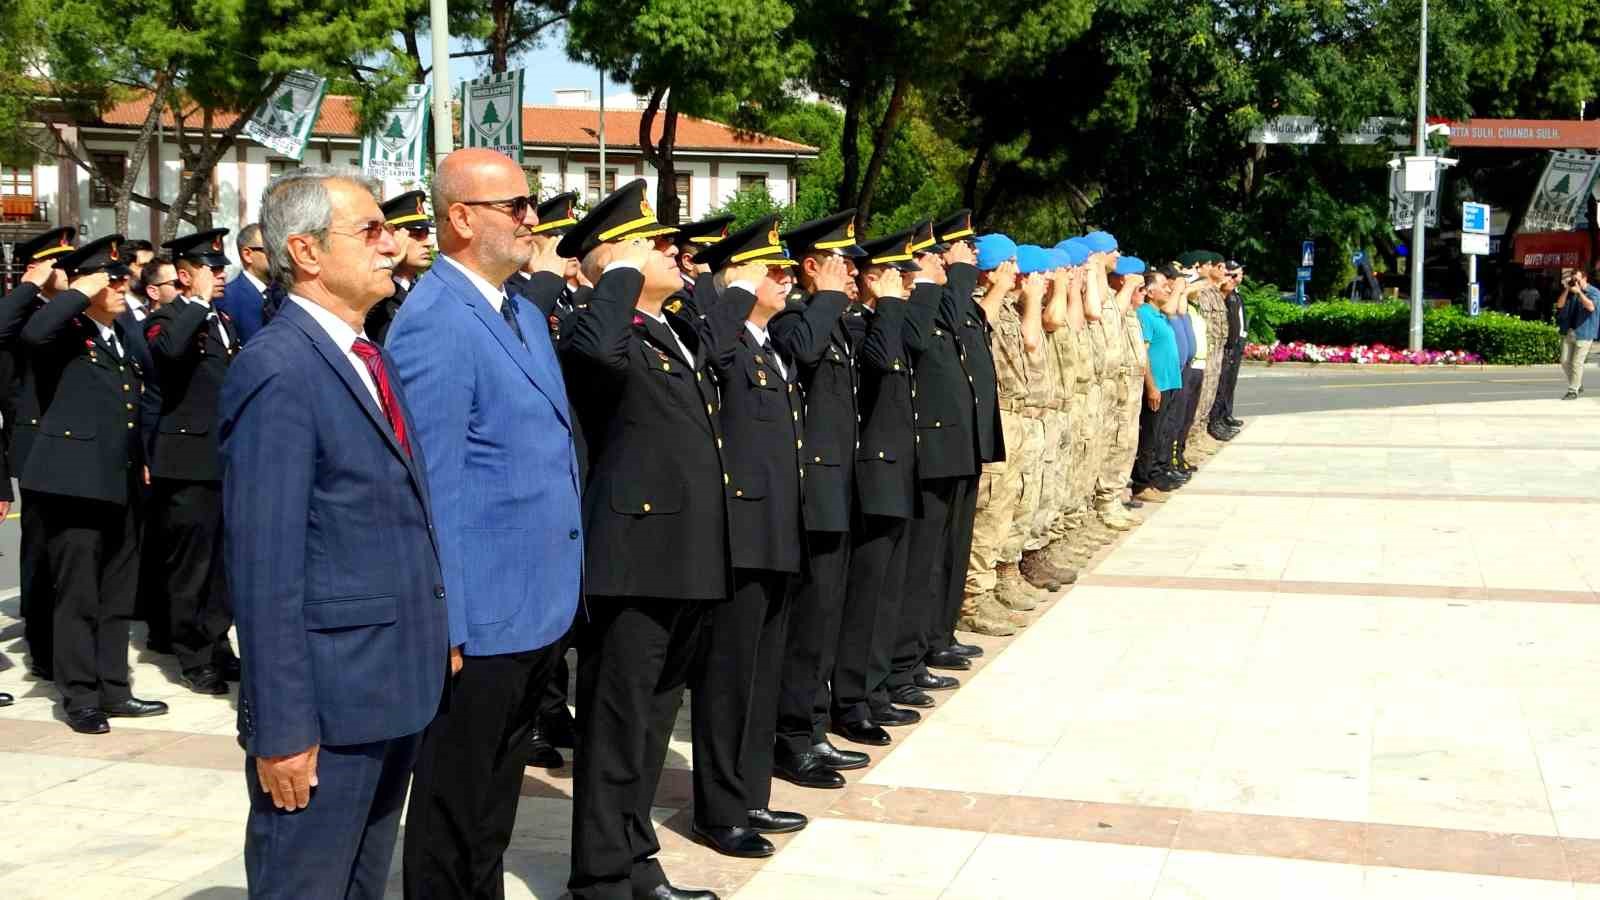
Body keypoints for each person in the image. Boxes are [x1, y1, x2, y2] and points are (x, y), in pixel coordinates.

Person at [220, 166, 448, 900]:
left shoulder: (364, 354)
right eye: (372, 230)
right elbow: (266, 568)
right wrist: (282, 728)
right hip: (328, 708)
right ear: (307, 252)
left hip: (388, 684)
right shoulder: (279, 368)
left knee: (359, 885)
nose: (393, 245)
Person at [383, 149, 583, 899]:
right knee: (451, 809)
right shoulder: (434, 320)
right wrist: (450, 622)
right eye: (516, 205)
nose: (532, 218)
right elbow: (428, 490)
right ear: (461, 219)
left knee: (494, 806)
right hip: (480, 620)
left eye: (530, 203)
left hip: (538, 607)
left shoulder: (521, 310)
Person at [557, 177, 724, 900]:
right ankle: (600, 877)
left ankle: (634, 861)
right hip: (633, 560)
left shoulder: (666, 329)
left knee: (651, 725)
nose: (673, 252)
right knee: (617, 725)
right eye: (654, 244)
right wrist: (616, 266)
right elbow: (595, 358)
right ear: (616, 258)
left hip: (681, 558)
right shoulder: (603, 327)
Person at [683, 215, 810, 858]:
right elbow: (710, 354)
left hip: (777, 531)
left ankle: (750, 791)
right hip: (742, 534)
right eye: (773, 270)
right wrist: (732, 290)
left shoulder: (767, 343)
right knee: (730, 679)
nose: (785, 280)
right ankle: (719, 807)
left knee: (761, 674)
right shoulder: (727, 336)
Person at [20, 234, 166, 733]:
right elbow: (32, 333)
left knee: (117, 594)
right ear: (89, 283)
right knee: (79, 594)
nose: (124, 285)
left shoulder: (117, 334)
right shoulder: (65, 330)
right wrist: (77, 292)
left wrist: (142, 459)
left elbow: (133, 403)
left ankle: (114, 688)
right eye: (114, 278)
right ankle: (80, 695)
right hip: (74, 484)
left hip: (120, 481)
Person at [769, 210, 872, 788]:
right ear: (811, 267)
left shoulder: (833, 319)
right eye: (839, 264)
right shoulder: (796, 316)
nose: (851, 275)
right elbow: (801, 354)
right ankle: (790, 738)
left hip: (838, 487)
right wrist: (828, 296)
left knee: (825, 618)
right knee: (806, 622)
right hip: (812, 494)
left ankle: (811, 724)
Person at [833, 229, 936, 743]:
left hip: (896, 466)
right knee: (867, 594)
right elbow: (878, 363)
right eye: (898, 276)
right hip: (872, 470)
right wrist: (888, 306)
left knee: (887, 590)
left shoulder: (886, 321)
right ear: (874, 278)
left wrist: (896, 305)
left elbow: (914, 346)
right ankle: (850, 698)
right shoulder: (856, 325)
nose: (908, 286)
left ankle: (873, 689)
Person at [146, 228, 242, 695]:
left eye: (221, 267)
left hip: (225, 458)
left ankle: (218, 644)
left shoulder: (222, 319)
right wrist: (197, 303)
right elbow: (168, 353)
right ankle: (192, 655)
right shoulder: (167, 318)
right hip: (186, 461)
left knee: (223, 566)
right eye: (211, 267)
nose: (220, 274)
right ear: (185, 275)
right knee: (191, 567)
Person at [0, 226, 75, 683]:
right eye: (58, 265)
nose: (68, 274)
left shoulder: (71, 312)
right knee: (42, 552)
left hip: (73, 444)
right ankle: (42, 645)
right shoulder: (23, 313)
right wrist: (30, 284)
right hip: (34, 445)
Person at [1132, 268, 1183, 499]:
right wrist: (1151, 386)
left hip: (1170, 382)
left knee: (1161, 433)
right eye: (1164, 286)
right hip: (1157, 385)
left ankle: (1155, 476)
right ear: (1150, 292)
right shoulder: (1144, 314)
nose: (1168, 289)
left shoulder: (1160, 315)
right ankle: (1142, 483)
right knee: (1149, 436)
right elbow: (1144, 354)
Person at [364, 191, 435, 346]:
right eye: (416, 234)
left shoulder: (423, 289)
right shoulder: (376, 298)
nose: (428, 242)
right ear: (390, 235)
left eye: (427, 233)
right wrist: (390, 260)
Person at [1208, 260, 1246, 437]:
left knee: (1228, 384)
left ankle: (1224, 416)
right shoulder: (1225, 295)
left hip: (1234, 344)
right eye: (1233, 274)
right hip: (1225, 346)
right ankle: (1217, 420)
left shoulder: (1235, 295)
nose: (1237, 278)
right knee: (1221, 385)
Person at [217, 223, 271, 342]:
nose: (276, 256)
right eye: (269, 249)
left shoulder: (284, 293)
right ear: (247, 255)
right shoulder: (227, 299)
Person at [1555, 267, 1600, 399]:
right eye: (1573, 279)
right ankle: (1577, 384)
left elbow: (1591, 307)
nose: (1575, 282)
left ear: (1585, 278)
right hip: (1569, 331)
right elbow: (1559, 305)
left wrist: (1579, 292)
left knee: (1576, 363)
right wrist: (1567, 289)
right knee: (1564, 361)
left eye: (1577, 279)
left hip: (1585, 332)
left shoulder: (1594, 291)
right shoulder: (1570, 291)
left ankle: (1573, 390)